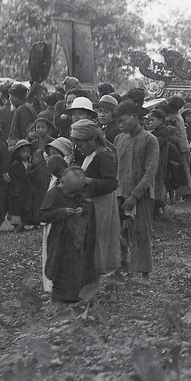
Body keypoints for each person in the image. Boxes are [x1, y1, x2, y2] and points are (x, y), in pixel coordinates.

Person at [38, 165, 98, 307]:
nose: (72, 196)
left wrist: (81, 209)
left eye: (74, 194)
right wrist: (62, 212)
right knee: (59, 268)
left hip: (78, 239)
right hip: (60, 240)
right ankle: (58, 299)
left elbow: (87, 206)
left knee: (79, 267)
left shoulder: (80, 193)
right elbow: (42, 215)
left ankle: (78, 297)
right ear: (62, 182)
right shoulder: (54, 194)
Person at [114, 100, 158, 280]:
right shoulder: (119, 139)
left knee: (141, 232)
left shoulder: (150, 139)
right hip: (120, 192)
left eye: (123, 121)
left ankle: (144, 273)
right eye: (118, 122)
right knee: (120, 233)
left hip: (142, 195)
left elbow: (150, 171)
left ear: (134, 117)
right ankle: (122, 268)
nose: (120, 125)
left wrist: (135, 195)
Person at [70, 118, 120, 275]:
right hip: (91, 204)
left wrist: (87, 181)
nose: (79, 148)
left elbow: (111, 183)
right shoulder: (90, 155)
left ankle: (97, 272)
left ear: (92, 139)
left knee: (99, 238)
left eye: (81, 144)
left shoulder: (104, 156)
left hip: (101, 205)